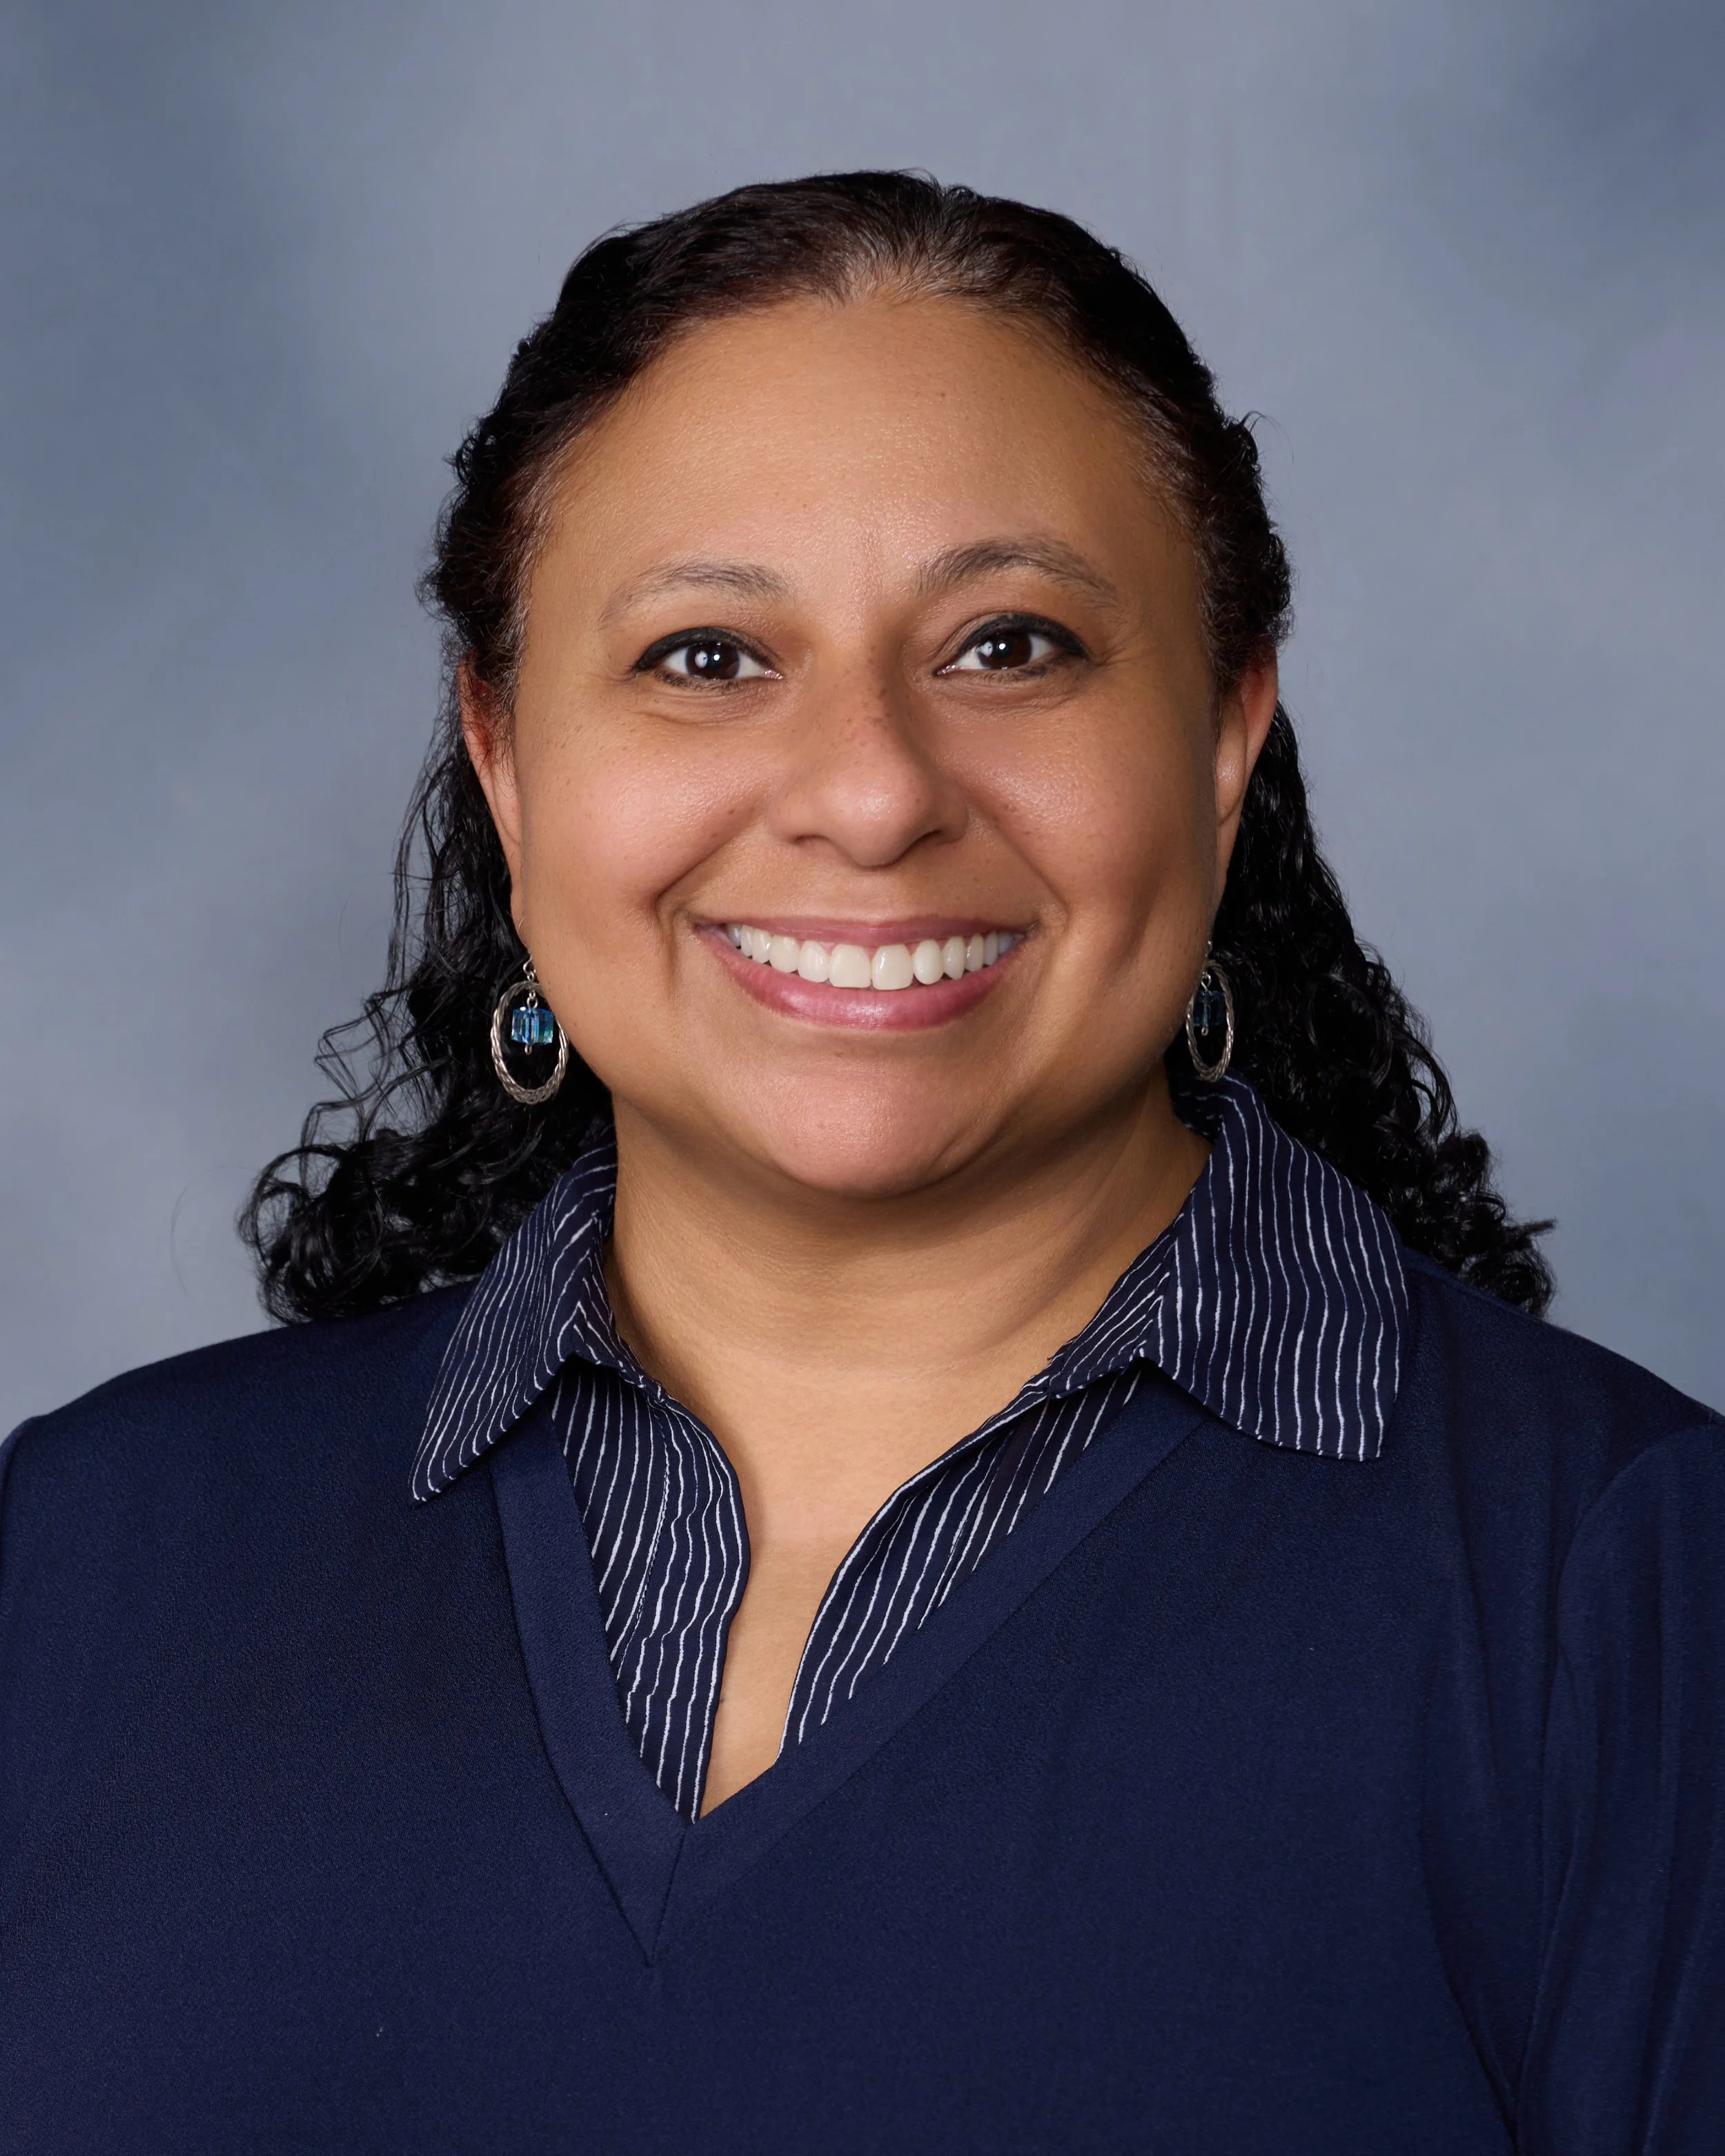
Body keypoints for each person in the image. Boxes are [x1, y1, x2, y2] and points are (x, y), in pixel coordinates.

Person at [1, 172, 1719, 2154]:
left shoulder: (1630, 1595)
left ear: (1226, 732)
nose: (873, 792)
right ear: (502, 753)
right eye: (708, 657)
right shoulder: (89, 1551)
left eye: (1009, 645)